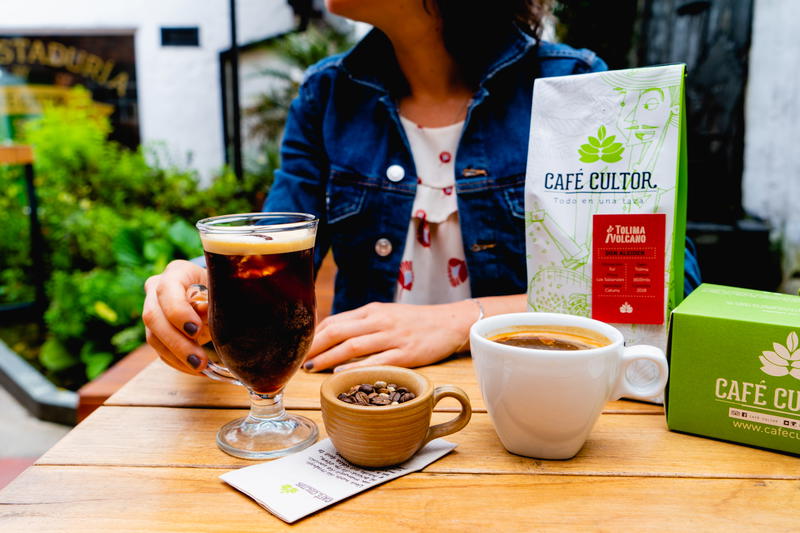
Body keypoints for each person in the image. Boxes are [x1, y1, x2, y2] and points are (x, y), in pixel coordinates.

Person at [143, 0, 699, 376]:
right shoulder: (326, 96)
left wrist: (464, 321)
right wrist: (202, 294)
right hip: (364, 405)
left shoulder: (573, 86)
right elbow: (275, 251)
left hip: (527, 397)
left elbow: (663, 287)